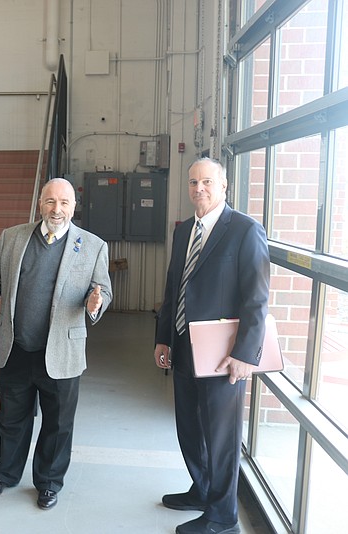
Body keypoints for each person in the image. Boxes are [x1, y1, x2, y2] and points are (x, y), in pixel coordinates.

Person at [0, 178, 112, 511]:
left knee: (58, 424)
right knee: (11, 419)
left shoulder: (93, 246)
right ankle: (5, 474)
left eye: (64, 203)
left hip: (61, 352)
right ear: (40, 204)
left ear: (74, 206)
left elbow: (101, 290)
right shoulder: (13, 237)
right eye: (50, 202)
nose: (57, 209)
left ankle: (48, 482)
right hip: (17, 347)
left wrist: (95, 304)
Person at [154, 158, 270, 534]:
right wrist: (162, 337)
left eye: (206, 181)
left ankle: (223, 517)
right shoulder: (184, 230)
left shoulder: (245, 230)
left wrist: (245, 355)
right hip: (185, 346)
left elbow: (256, 298)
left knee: (220, 436)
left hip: (225, 355)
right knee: (189, 425)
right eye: (192, 182)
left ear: (224, 186)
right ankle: (202, 490)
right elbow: (174, 288)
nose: (198, 189)